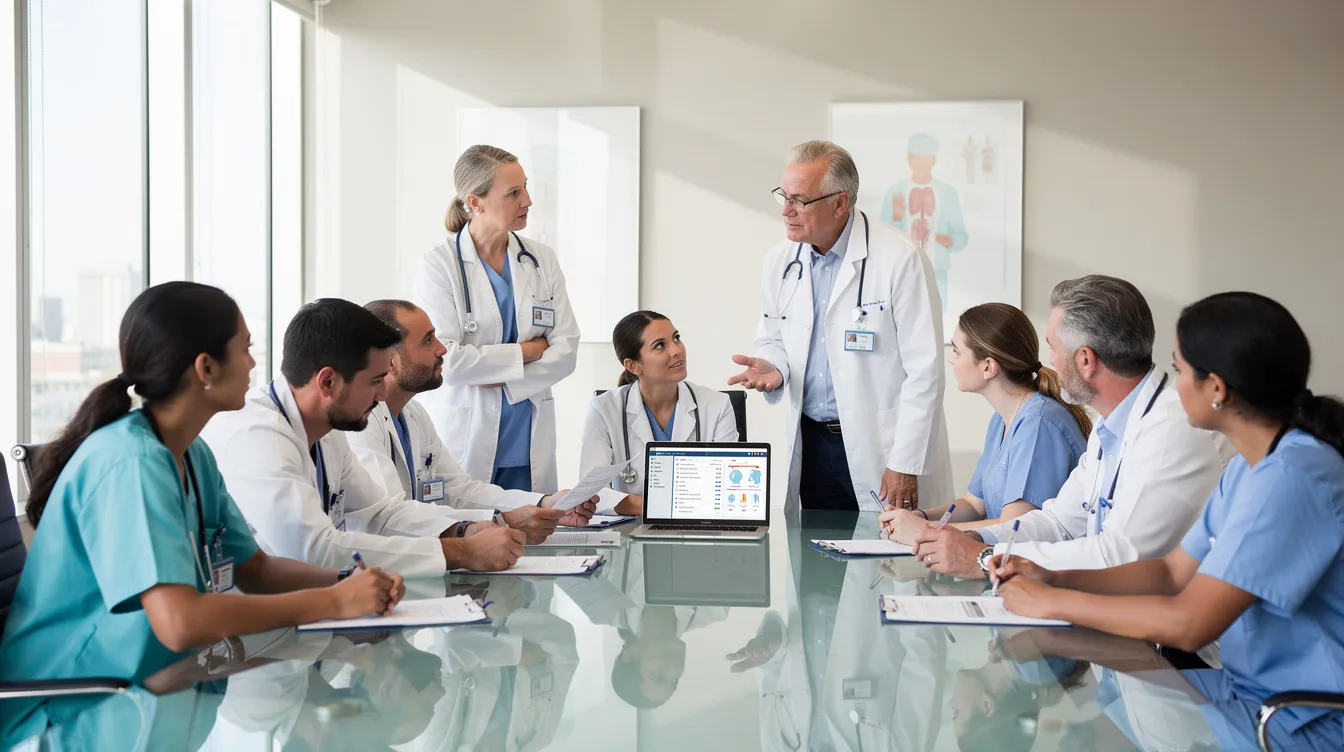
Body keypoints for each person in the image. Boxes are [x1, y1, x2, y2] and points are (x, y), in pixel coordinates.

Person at [0, 282, 404, 747]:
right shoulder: (131, 463)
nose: (255, 363)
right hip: (73, 714)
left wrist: (346, 583)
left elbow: (256, 569)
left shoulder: (192, 456)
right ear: (206, 367)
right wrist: (334, 604)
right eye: (245, 349)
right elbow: (181, 622)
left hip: (157, 694)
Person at [995, 291, 1344, 751]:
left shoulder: (1294, 477)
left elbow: (1189, 622)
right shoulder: (1250, 466)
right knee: (1109, 717)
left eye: (1180, 370)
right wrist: (1054, 577)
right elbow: (1171, 571)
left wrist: (1050, 602)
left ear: (1216, 389)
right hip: (1242, 694)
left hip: (1297, 721)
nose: (1173, 385)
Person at [911, 276, 1229, 581]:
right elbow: (1058, 522)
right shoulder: (1110, 425)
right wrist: (969, 536)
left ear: (1085, 360)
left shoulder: (1172, 428)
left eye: (1053, 347)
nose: (1048, 361)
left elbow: (1119, 556)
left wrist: (983, 557)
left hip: (1163, 629)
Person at [202, 298, 525, 578]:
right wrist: (460, 553)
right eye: (374, 381)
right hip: (256, 628)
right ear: (328, 382)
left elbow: (380, 514)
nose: (383, 394)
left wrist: (464, 531)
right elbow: (313, 549)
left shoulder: (326, 429)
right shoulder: (259, 436)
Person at [730, 140, 952, 511]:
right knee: (818, 557)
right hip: (812, 444)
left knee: (890, 561)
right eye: (783, 196)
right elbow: (772, 337)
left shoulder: (900, 259)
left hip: (881, 447)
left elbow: (926, 370)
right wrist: (775, 368)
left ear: (840, 202)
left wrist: (904, 462)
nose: (786, 210)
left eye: (799, 200)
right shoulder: (779, 261)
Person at [348, 299, 595, 542]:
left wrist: (545, 503)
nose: (442, 349)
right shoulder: (360, 424)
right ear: (389, 361)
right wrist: (499, 521)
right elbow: (389, 517)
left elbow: (459, 490)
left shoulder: (414, 414)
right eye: (427, 340)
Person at [416, 144, 579, 493]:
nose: (528, 201)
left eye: (526, 187)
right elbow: (449, 361)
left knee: (535, 535)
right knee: (476, 534)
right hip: (468, 439)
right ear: (476, 202)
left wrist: (501, 377)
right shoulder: (440, 265)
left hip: (528, 438)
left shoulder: (541, 259)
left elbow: (566, 350)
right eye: (513, 193)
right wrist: (529, 352)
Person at [880, 303, 1089, 543]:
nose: (951, 360)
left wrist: (925, 530)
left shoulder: (1038, 424)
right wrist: (918, 517)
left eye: (957, 351)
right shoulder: (1001, 420)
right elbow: (973, 504)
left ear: (988, 367)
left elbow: (1013, 527)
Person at [581, 311, 740, 515]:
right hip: (630, 538)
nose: (677, 350)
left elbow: (727, 488)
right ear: (633, 365)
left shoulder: (716, 405)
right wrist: (659, 506)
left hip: (700, 533)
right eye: (660, 345)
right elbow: (591, 494)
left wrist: (640, 504)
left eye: (676, 338)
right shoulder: (604, 409)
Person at [878, 133, 968, 309]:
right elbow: (882, 237)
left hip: (937, 271)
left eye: (925, 158)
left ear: (933, 160)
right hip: (902, 270)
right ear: (909, 159)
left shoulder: (948, 193)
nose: (920, 162)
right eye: (916, 157)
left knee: (939, 316)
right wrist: (896, 217)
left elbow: (962, 235)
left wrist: (949, 240)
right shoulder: (894, 191)